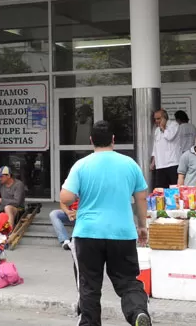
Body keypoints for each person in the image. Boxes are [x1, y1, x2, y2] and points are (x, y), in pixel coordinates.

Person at [61, 120, 151, 326]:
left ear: (91, 140)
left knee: (90, 286)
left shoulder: (81, 165)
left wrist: (74, 200)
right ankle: (137, 313)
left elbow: (66, 197)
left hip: (88, 233)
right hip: (122, 233)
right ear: (113, 139)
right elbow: (141, 198)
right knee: (128, 281)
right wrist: (142, 226)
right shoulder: (130, 164)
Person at [150, 109, 180, 190]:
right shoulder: (157, 130)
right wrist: (153, 162)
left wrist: (163, 127)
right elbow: (155, 147)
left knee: (174, 189)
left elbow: (169, 136)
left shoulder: (174, 125)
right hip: (160, 164)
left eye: (159, 118)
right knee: (160, 190)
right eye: (155, 119)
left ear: (165, 118)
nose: (156, 121)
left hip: (172, 163)